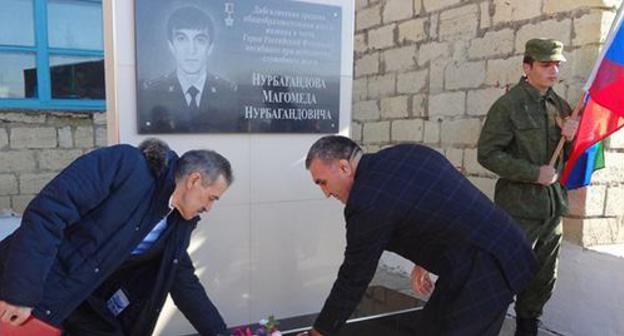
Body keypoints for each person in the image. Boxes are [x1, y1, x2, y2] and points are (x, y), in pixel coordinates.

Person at [300, 135, 538, 336]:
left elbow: (354, 277)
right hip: (480, 253)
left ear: (344, 167)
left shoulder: (365, 202)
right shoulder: (406, 153)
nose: (326, 193)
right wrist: (421, 261)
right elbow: (433, 203)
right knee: (430, 327)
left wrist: (320, 332)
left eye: (323, 182)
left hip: (490, 263)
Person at [0, 138, 232, 335]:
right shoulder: (124, 165)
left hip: (81, 303)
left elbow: (185, 283)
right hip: (24, 286)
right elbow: (47, 215)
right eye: (212, 198)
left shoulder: (178, 225)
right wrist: (19, 294)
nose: (209, 208)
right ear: (194, 180)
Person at [477, 38, 579, 336]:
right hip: (518, 211)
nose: (553, 70)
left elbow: (569, 158)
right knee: (503, 276)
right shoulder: (509, 106)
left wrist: (572, 138)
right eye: (546, 64)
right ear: (527, 66)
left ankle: (527, 328)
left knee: (541, 282)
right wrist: (533, 173)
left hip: (551, 210)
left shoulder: (561, 106)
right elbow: (488, 154)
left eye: (557, 65)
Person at [137, 6, 240, 134]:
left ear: (210, 47)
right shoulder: (153, 92)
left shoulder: (227, 93)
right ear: (171, 46)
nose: (191, 50)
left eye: (200, 40)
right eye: (182, 39)